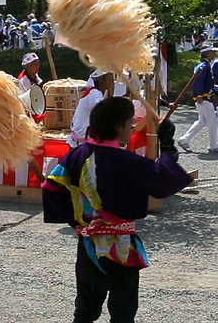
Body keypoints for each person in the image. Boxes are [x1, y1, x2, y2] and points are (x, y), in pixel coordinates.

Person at [42, 97, 192, 323]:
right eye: (130, 121)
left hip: (88, 245)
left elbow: (50, 187)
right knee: (123, 314)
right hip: (122, 248)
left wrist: (77, 223)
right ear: (117, 126)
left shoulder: (77, 154)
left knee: (84, 311)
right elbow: (164, 181)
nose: (133, 125)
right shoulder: (129, 162)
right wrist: (167, 141)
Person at [177, 45, 218, 153]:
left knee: (202, 121)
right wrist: (199, 95)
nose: (213, 54)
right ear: (207, 53)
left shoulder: (204, 65)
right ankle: (213, 145)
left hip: (205, 97)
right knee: (212, 122)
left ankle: (185, 139)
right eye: (212, 52)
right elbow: (198, 81)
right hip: (204, 98)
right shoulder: (204, 66)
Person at [66, 70, 115, 148]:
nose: (112, 80)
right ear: (100, 80)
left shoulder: (93, 92)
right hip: (80, 145)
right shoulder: (95, 93)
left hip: (78, 142)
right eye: (109, 77)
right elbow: (102, 112)